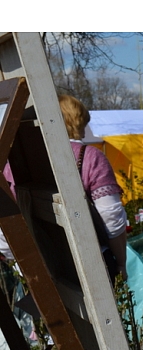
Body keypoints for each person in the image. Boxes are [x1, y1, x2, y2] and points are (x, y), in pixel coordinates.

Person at [1, 94, 128, 281]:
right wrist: (121, 264)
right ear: (77, 121)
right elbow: (111, 218)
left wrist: (20, 265)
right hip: (90, 262)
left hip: (37, 265)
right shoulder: (90, 157)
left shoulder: (15, 160)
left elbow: (6, 224)